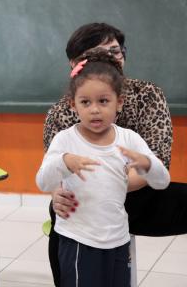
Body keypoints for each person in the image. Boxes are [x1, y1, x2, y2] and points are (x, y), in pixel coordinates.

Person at [44, 22, 187, 286]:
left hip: (139, 194)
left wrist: (114, 183)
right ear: (76, 66)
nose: (112, 59)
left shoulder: (148, 94)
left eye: (116, 51)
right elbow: (53, 169)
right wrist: (56, 191)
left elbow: (157, 162)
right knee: (59, 210)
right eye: (100, 53)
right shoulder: (62, 111)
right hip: (85, 201)